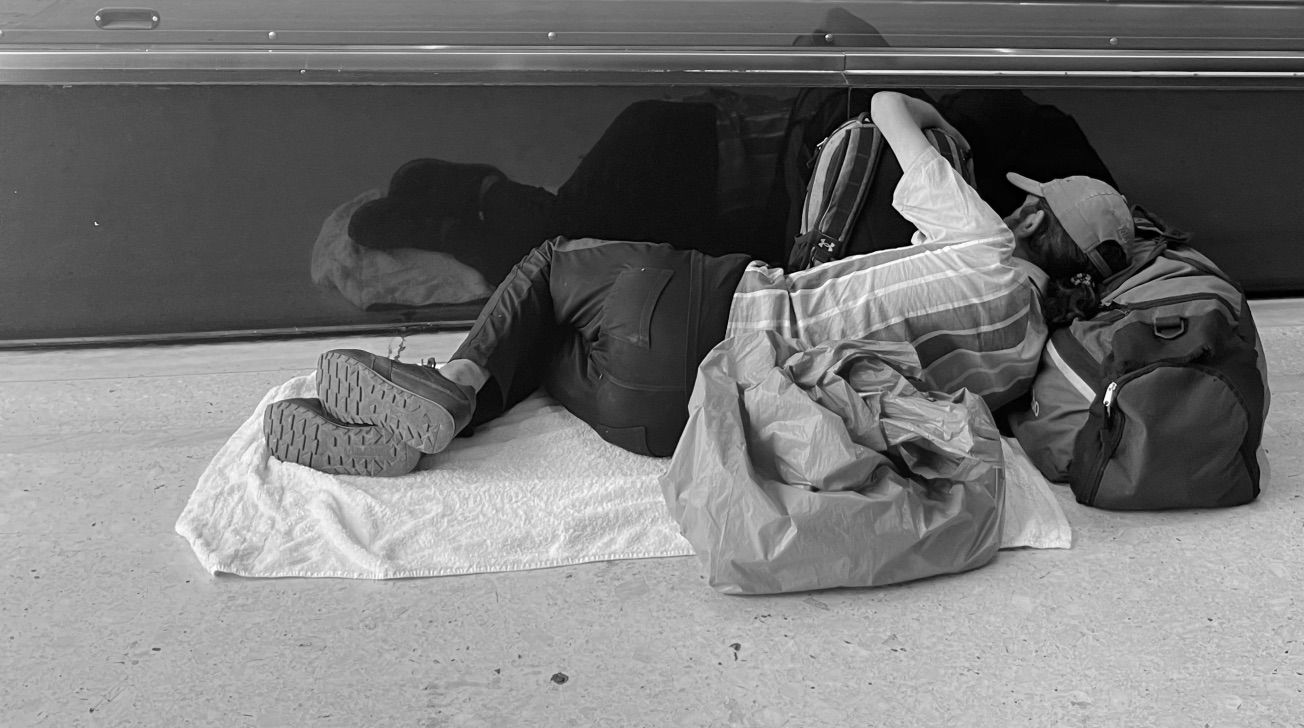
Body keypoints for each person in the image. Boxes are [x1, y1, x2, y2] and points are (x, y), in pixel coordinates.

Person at [265, 90, 1137, 477]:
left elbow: (881, 104)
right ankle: (426, 420)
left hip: (719, 312)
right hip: (673, 416)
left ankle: (450, 391)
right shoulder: (1030, 358)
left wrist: (919, 109)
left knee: (552, 271)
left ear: (1030, 214)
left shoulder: (980, 238)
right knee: (557, 336)